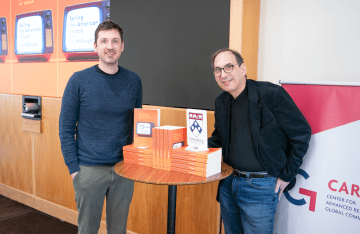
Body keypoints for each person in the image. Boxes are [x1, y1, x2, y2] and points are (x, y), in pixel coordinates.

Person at [208, 48, 311, 234]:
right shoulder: (221, 101)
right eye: (217, 70)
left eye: (228, 67)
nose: (223, 74)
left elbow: (301, 134)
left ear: (243, 68)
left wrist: (287, 174)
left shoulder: (271, 95)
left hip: (261, 187)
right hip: (228, 182)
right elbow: (218, 139)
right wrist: (192, 145)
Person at [59, 20, 142, 234]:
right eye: (104, 41)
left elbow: (138, 126)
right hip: (89, 171)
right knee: (87, 230)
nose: (110, 46)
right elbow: (66, 129)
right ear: (95, 46)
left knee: (118, 230)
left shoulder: (134, 81)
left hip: (123, 170)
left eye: (115, 41)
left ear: (122, 46)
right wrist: (75, 171)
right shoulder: (78, 81)